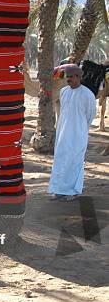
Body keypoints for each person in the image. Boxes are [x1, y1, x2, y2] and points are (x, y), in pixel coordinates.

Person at [48, 64, 96, 202]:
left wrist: (81, 129)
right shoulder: (63, 91)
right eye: (67, 77)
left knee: (75, 161)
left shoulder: (87, 94)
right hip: (62, 133)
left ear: (78, 77)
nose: (68, 79)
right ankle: (58, 190)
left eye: (71, 77)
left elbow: (90, 115)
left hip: (78, 133)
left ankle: (73, 192)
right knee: (60, 159)